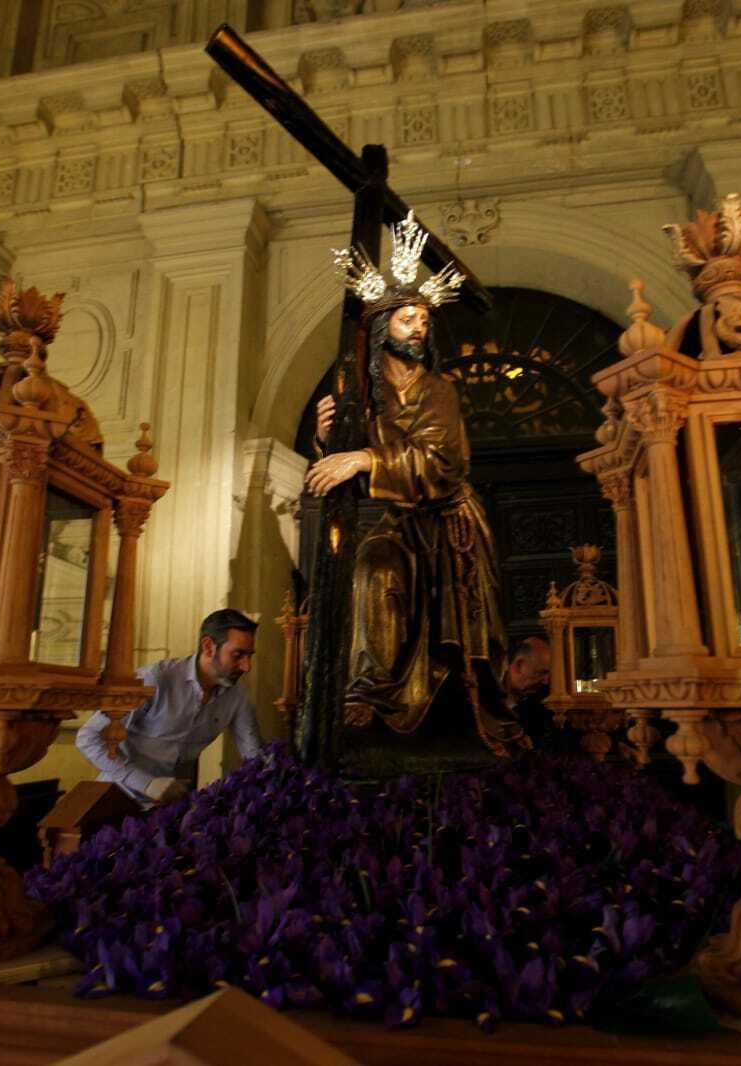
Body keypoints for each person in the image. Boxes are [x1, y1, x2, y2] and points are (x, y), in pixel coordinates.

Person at [306, 213, 530, 757]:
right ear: (384, 328)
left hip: (451, 525)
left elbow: (443, 461)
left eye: (424, 320)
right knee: (374, 571)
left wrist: (363, 457)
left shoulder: (439, 390)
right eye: (407, 319)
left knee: (462, 644)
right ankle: (371, 694)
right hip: (399, 520)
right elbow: (341, 470)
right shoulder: (362, 393)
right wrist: (326, 437)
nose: (419, 328)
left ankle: (454, 716)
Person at [75, 608, 262, 808]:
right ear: (208, 647)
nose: (247, 666)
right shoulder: (154, 679)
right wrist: (147, 783)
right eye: (238, 655)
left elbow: (254, 757)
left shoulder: (237, 696)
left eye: (249, 656)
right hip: (115, 798)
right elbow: (88, 737)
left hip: (170, 808)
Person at [502, 635, 555, 747]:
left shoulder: (542, 705)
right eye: (541, 673)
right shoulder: (486, 697)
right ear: (519, 666)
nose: (545, 682)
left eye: (548, 675)